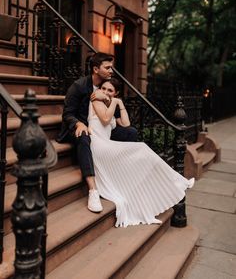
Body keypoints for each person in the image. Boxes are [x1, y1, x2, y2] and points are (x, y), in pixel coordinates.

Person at [89, 78, 194, 227]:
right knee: (141, 149)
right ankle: (177, 180)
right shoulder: (96, 101)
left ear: (116, 93)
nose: (106, 92)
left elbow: (126, 124)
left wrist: (119, 103)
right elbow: (105, 120)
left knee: (141, 152)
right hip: (98, 146)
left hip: (107, 145)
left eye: (110, 90)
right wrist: (112, 100)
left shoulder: (111, 104)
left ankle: (175, 181)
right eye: (103, 88)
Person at [57, 52, 137, 213]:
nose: (111, 70)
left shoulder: (106, 87)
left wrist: (110, 100)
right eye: (107, 67)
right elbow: (67, 114)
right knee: (84, 136)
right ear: (95, 69)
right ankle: (93, 190)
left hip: (101, 129)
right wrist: (78, 124)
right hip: (78, 129)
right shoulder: (78, 86)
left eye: (111, 67)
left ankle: (121, 174)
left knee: (131, 132)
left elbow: (111, 118)